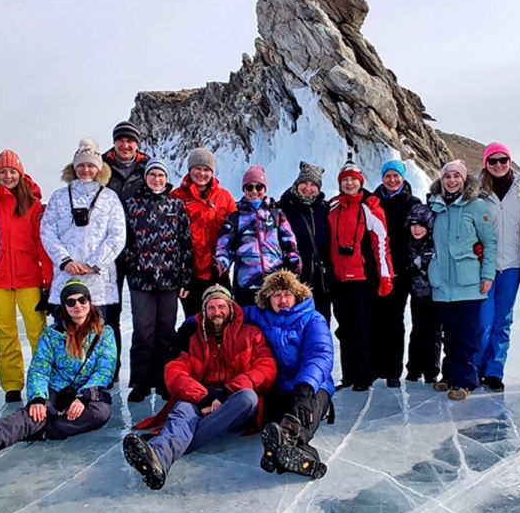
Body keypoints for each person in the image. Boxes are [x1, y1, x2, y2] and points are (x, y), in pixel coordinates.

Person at [0, 280, 116, 473]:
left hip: (87, 393)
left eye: (82, 299)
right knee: (32, 415)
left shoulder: (104, 333)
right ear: (64, 307)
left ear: (90, 302)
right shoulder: (51, 335)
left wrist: (84, 397)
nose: (78, 306)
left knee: (99, 414)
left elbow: (104, 370)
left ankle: (44, 431)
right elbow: (39, 369)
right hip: (57, 389)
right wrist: (38, 398)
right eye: (71, 302)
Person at [123, 285, 277, 490]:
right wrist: (203, 397)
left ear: (231, 308)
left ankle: (169, 445)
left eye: (221, 306)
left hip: (235, 400)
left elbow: (266, 367)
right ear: (204, 311)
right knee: (182, 408)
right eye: (211, 307)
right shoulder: (194, 337)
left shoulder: (252, 334)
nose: (217, 312)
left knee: (249, 398)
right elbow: (175, 370)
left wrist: (227, 392)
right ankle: (158, 459)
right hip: (202, 396)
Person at [243, 270, 334, 479]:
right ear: (268, 298)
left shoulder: (312, 318)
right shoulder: (259, 315)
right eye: (276, 295)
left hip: (312, 386)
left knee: (300, 415)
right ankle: (285, 451)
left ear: (297, 295)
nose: (282, 300)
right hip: (277, 387)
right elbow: (224, 312)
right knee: (275, 425)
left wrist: (306, 386)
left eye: (287, 294)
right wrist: (190, 324)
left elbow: (320, 354)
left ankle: (297, 451)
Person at [120, 159, 193, 402]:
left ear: (166, 178)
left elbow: (185, 243)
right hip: (142, 280)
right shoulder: (132, 204)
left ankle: (164, 380)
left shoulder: (176, 204)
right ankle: (140, 382)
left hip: (170, 280)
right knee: (143, 331)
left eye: (161, 175)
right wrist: (133, 263)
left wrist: (186, 277)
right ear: (146, 177)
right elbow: (125, 240)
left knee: (165, 332)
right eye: (153, 175)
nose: (157, 179)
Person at [0, 150, 52, 403]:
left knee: (38, 333)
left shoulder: (32, 205)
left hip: (29, 279)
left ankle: (42, 381)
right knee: (6, 333)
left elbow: (42, 246)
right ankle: (12, 385)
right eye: (3, 172)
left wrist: (49, 281)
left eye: (13, 171)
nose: (8, 176)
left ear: (20, 174)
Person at [427, 160, 497, 401]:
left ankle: (465, 380)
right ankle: (449, 375)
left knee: (467, 335)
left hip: (468, 282)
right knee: (450, 334)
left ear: (464, 180)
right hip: (443, 283)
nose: (452, 181)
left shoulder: (475, 206)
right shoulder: (434, 206)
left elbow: (489, 243)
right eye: (448, 176)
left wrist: (487, 274)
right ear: (442, 180)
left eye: (457, 176)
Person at [40, 139, 126, 320]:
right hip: (66, 277)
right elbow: (47, 232)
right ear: (73, 168)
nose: (85, 170)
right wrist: (65, 261)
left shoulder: (109, 198)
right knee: (65, 337)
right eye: (81, 165)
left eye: (91, 165)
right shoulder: (59, 197)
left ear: (99, 169)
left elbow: (117, 236)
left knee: (98, 336)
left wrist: (93, 263)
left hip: (98, 281)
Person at [328, 159, 394, 392]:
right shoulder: (333, 207)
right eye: (344, 180)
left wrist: (386, 275)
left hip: (361, 279)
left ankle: (365, 374)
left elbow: (381, 243)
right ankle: (349, 374)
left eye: (353, 180)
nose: (348, 183)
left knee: (362, 326)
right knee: (344, 327)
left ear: (360, 182)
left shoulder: (369, 206)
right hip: (338, 280)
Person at [475, 142, 520, 392]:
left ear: (510, 161)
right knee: (482, 321)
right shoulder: (475, 189)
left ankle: (495, 371)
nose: (498, 165)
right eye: (493, 161)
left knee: (502, 321)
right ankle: (475, 369)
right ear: (486, 163)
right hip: (483, 264)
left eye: (503, 160)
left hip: (511, 264)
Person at [215, 165, 302, 307]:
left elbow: (289, 242)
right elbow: (224, 247)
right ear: (244, 189)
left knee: (272, 325)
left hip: (273, 284)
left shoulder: (276, 214)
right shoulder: (235, 217)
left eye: (259, 187)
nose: (254, 191)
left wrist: (293, 259)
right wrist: (221, 263)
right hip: (246, 285)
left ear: (265, 189)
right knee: (249, 326)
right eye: (249, 187)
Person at [103, 121, 149, 384]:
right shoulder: (101, 167)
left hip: (139, 251)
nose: (125, 145)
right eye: (120, 140)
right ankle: (110, 371)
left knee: (142, 317)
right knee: (110, 316)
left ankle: (142, 377)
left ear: (137, 144)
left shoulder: (147, 168)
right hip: (109, 254)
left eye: (130, 140)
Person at [371, 160, 421, 387]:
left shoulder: (412, 203)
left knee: (395, 319)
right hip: (377, 269)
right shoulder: (373, 202)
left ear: (403, 177)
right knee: (378, 318)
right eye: (387, 176)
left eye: (396, 176)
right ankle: (377, 366)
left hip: (401, 270)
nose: (391, 180)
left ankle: (393, 369)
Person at [171, 147, 236, 316]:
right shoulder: (176, 197)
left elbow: (234, 233)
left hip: (218, 272)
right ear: (190, 169)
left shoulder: (224, 197)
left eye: (206, 169)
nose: (202, 173)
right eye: (197, 168)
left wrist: (225, 262)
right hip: (190, 274)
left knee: (222, 318)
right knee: (194, 321)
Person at [278, 161, 333, 322]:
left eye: (313, 184)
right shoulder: (285, 206)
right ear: (297, 183)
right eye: (304, 183)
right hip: (295, 277)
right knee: (295, 323)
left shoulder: (324, 208)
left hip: (321, 279)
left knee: (320, 324)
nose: (308, 188)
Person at [405, 203, 442, 384]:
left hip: (435, 295)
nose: (417, 229)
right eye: (413, 225)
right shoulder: (408, 245)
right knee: (418, 330)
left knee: (433, 332)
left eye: (421, 225)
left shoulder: (436, 244)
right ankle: (414, 368)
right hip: (417, 296)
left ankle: (431, 370)